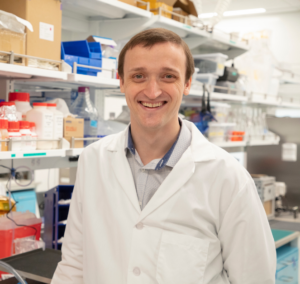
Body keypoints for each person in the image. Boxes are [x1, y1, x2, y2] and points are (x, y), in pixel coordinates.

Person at [52, 28, 276, 284]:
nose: (153, 91)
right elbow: (73, 265)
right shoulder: (93, 160)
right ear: (122, 81)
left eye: (168, 76)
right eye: (139, 76)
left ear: (187, 83)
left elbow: (255, 278)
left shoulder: (227, 177)